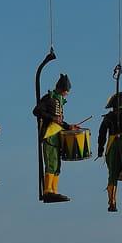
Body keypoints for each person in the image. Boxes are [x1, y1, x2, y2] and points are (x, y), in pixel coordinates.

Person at [32, 74, 77, 202]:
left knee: (57, 165)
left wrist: (68, 126)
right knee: (51, 163)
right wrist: (52, 118)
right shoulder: (49, 98)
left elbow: (59, 121)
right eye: (66, 90)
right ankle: (47, 190)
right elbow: (37, 111)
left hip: (58, 135)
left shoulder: (59, 101)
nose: (67, 93)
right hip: (49, 135)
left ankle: (54, 190)